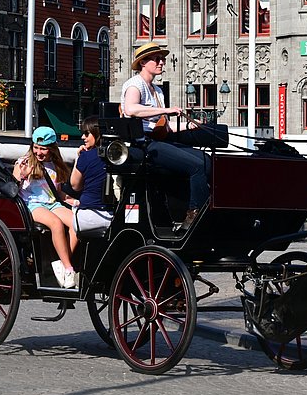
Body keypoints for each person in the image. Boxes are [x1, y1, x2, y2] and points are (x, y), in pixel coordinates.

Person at [121, 42, 224, 231]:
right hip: (144, 144)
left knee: (206, 159)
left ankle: (198, 206)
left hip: (159, 139)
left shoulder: (157, 91)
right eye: (157, 59)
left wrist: (191, 126)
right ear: (143, 62)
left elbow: (165, 127)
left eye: (163, 59)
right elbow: (131, 109)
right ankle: (194, 214)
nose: (162, 62)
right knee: (196, 166)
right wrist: (166, 109)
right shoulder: (135, 85)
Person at [13, 126, 78, 288]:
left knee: (77, 223)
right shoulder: (24, 162)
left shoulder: (55, 165)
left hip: (52, 203)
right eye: (36, 147)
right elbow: (12, 188)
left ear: (52, 149)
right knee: (56, 223)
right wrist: (22, 175)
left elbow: (58, 194)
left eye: (43, 149)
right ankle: (69, 269)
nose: (39, 152)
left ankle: (62, 264)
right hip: (31, 204)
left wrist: (76, 202)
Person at [69, 115, 112, 246]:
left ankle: (65, 263)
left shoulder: (86, 156)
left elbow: (75, 185)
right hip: (114, 214)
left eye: (86, 134)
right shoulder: (117, 155)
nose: (83, 138)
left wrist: (79, 158)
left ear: (96, 133)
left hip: (91, 215)